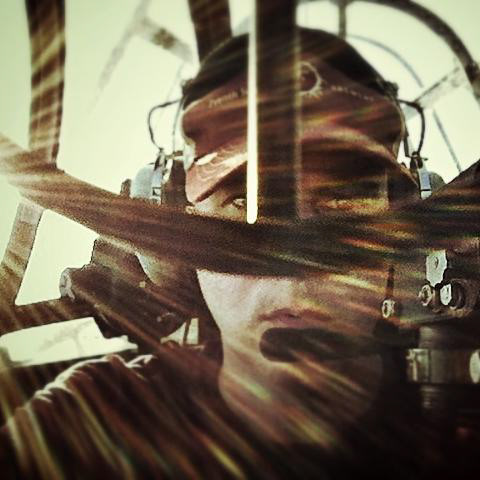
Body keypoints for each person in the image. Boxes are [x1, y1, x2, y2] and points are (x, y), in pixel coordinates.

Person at [0, 27, 468, 479]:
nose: (294, 270)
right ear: (178, 239)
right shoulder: (87, 426)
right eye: (244, 205)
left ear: (406, 235)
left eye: (343, 203)